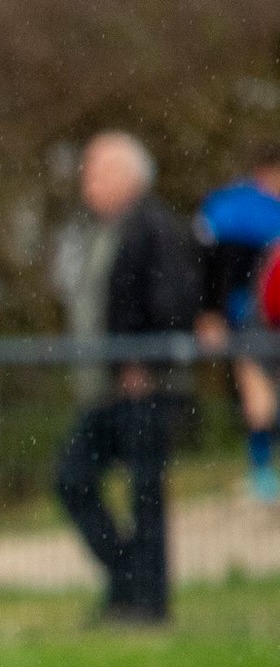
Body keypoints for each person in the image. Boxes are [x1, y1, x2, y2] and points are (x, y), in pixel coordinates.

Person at [52, 131, 202, 623]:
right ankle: (127, 584)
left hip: (143, 388)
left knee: (145, 491)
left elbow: (177, 302)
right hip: (103, 389)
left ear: (127, 176)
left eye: (97, 171)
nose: (86, 181)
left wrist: (145, 362)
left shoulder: (155, 228)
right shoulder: (94, 232)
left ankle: (149, 603)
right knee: (72, 480)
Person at [193, 145, 280, 504]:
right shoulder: (233, 209)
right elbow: (209, 264)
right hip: (249, 319)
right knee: (257, 398)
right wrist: (210, 311)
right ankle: (261, 472)